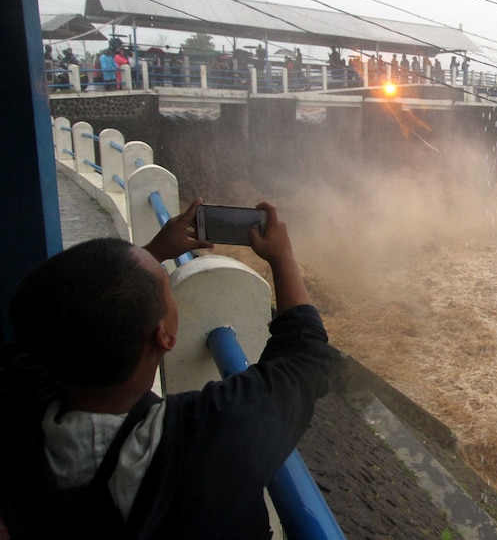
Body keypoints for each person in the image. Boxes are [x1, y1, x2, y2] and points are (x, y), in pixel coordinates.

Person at [0, 200, 336, 539]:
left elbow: (72, 310)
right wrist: (282, 256)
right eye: (166, 288)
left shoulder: (18, 393)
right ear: (165, 336)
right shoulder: (208, 436)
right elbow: (304, 356)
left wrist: (156, 250)